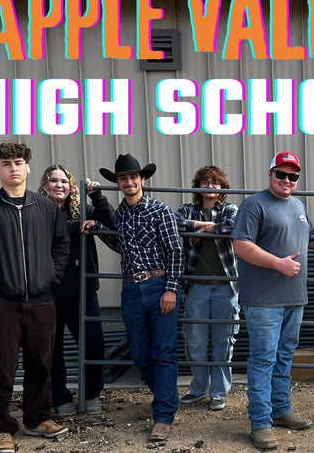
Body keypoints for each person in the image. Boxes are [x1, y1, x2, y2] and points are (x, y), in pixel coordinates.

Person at [232, 151, 314, 450]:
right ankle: (260, 422)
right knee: (264, 359)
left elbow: (312, 240)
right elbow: (241, 245)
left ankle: (280, 410)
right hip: (263, 300)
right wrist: (278, 263)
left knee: (284, 356)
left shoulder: (298, 206)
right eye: (282, 174)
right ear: (270, 174)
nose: (287, 180)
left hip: (294, 298)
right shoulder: (254, 205)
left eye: (293, 176)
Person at [0, 142, 71, 453]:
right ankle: (0, 427)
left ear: (28, 167)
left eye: (18, 162)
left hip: (42, 300)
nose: (13, 167)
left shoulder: (47, 207)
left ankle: (37, 419)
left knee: (41, 363)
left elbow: (61, 246)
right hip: (2, 302)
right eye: (6, 163)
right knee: (2, 366)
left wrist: (52, 276)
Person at [98, 154, 183, 443]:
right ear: (118, 183)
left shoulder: (160, 211)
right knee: (139, 352)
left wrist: (171, 288)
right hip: (131, 289)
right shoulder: (120, 214)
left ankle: (162, 416)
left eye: (134, 177)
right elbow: (121, 245)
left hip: (159, 284)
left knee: (164, 351)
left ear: (142, 179)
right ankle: (166, 397)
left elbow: (175, 251)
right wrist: (96, 229)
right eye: (123, 178)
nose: (129, 182)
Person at [38, 165, 114, 416]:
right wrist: (76, 228)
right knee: (52, 347)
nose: (59, 185)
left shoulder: (81, 210)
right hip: (49, 291)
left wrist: (97, 196)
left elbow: (113, 221)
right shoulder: (36, 212)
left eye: (64, 181)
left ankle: (91, 393)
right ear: (45, 185)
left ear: (71, 187)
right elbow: (48, 237)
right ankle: (59, 395)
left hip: (83, 290)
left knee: (94, 344)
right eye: (53, 180)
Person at [175, 165, 239, 411]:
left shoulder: (229, 209)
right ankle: (198, 388)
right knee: (195, 340)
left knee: (224, 341)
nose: (210, 186)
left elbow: (234, 226)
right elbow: (177, 222)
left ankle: (219, 392)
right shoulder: (187, 209)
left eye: (215, 183)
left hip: (225, 287)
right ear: (198, 186)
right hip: (196, 286)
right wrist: (205, 226)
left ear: (222, 188)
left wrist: (202, 229)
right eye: (205, 182)